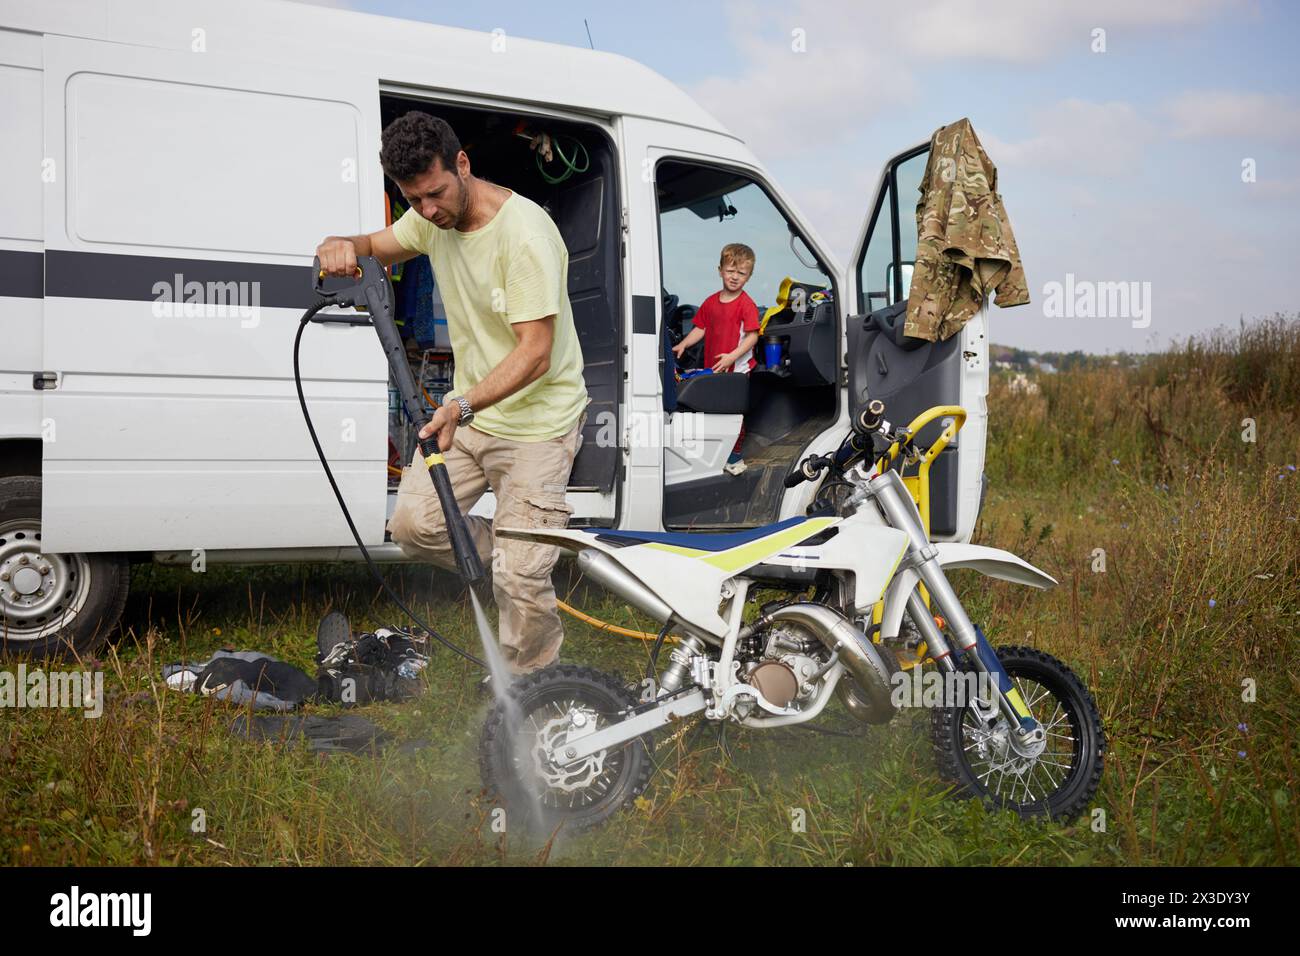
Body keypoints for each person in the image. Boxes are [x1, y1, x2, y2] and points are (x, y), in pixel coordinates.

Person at [315, 111, 588, 676]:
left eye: (436, 193)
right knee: (414, 525)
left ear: (462, 164)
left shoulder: (526, 233)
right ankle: (520, 559)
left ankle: (534, 686)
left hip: (537, 424)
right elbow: (374, 245)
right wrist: (342, 243)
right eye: (415, 200)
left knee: (519, 576)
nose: (429, 210)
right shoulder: (430, 221)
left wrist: (460, 406)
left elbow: (536, 351)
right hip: (470, 417)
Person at [671, 243, 760, 474]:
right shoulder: (711, 302)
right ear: (720, 270)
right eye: (730, 271)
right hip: (715, 367)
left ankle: (735, 455)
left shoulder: (746, 304)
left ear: (748, 277)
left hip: (737, 368)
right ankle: (715, 453)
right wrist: (683, 344)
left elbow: (752, 337)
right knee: (714, 409)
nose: (734, 277)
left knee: (734, 411)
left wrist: (732, 356)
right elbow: (700, 328)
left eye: (741, 273)